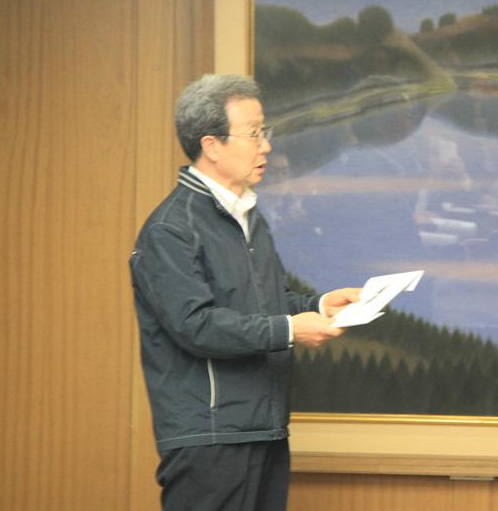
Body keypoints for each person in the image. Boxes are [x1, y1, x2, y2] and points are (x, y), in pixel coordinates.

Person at [129, 74, 360, 511]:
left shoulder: (249, 217)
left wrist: (319, 305)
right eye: (254, 134)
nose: (266, 146)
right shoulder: (171, 229)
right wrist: (290, 330)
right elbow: (196, 326)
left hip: (265, 425)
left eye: (264, 132)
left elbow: (267, 304)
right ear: (212, 145)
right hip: (211, 435)